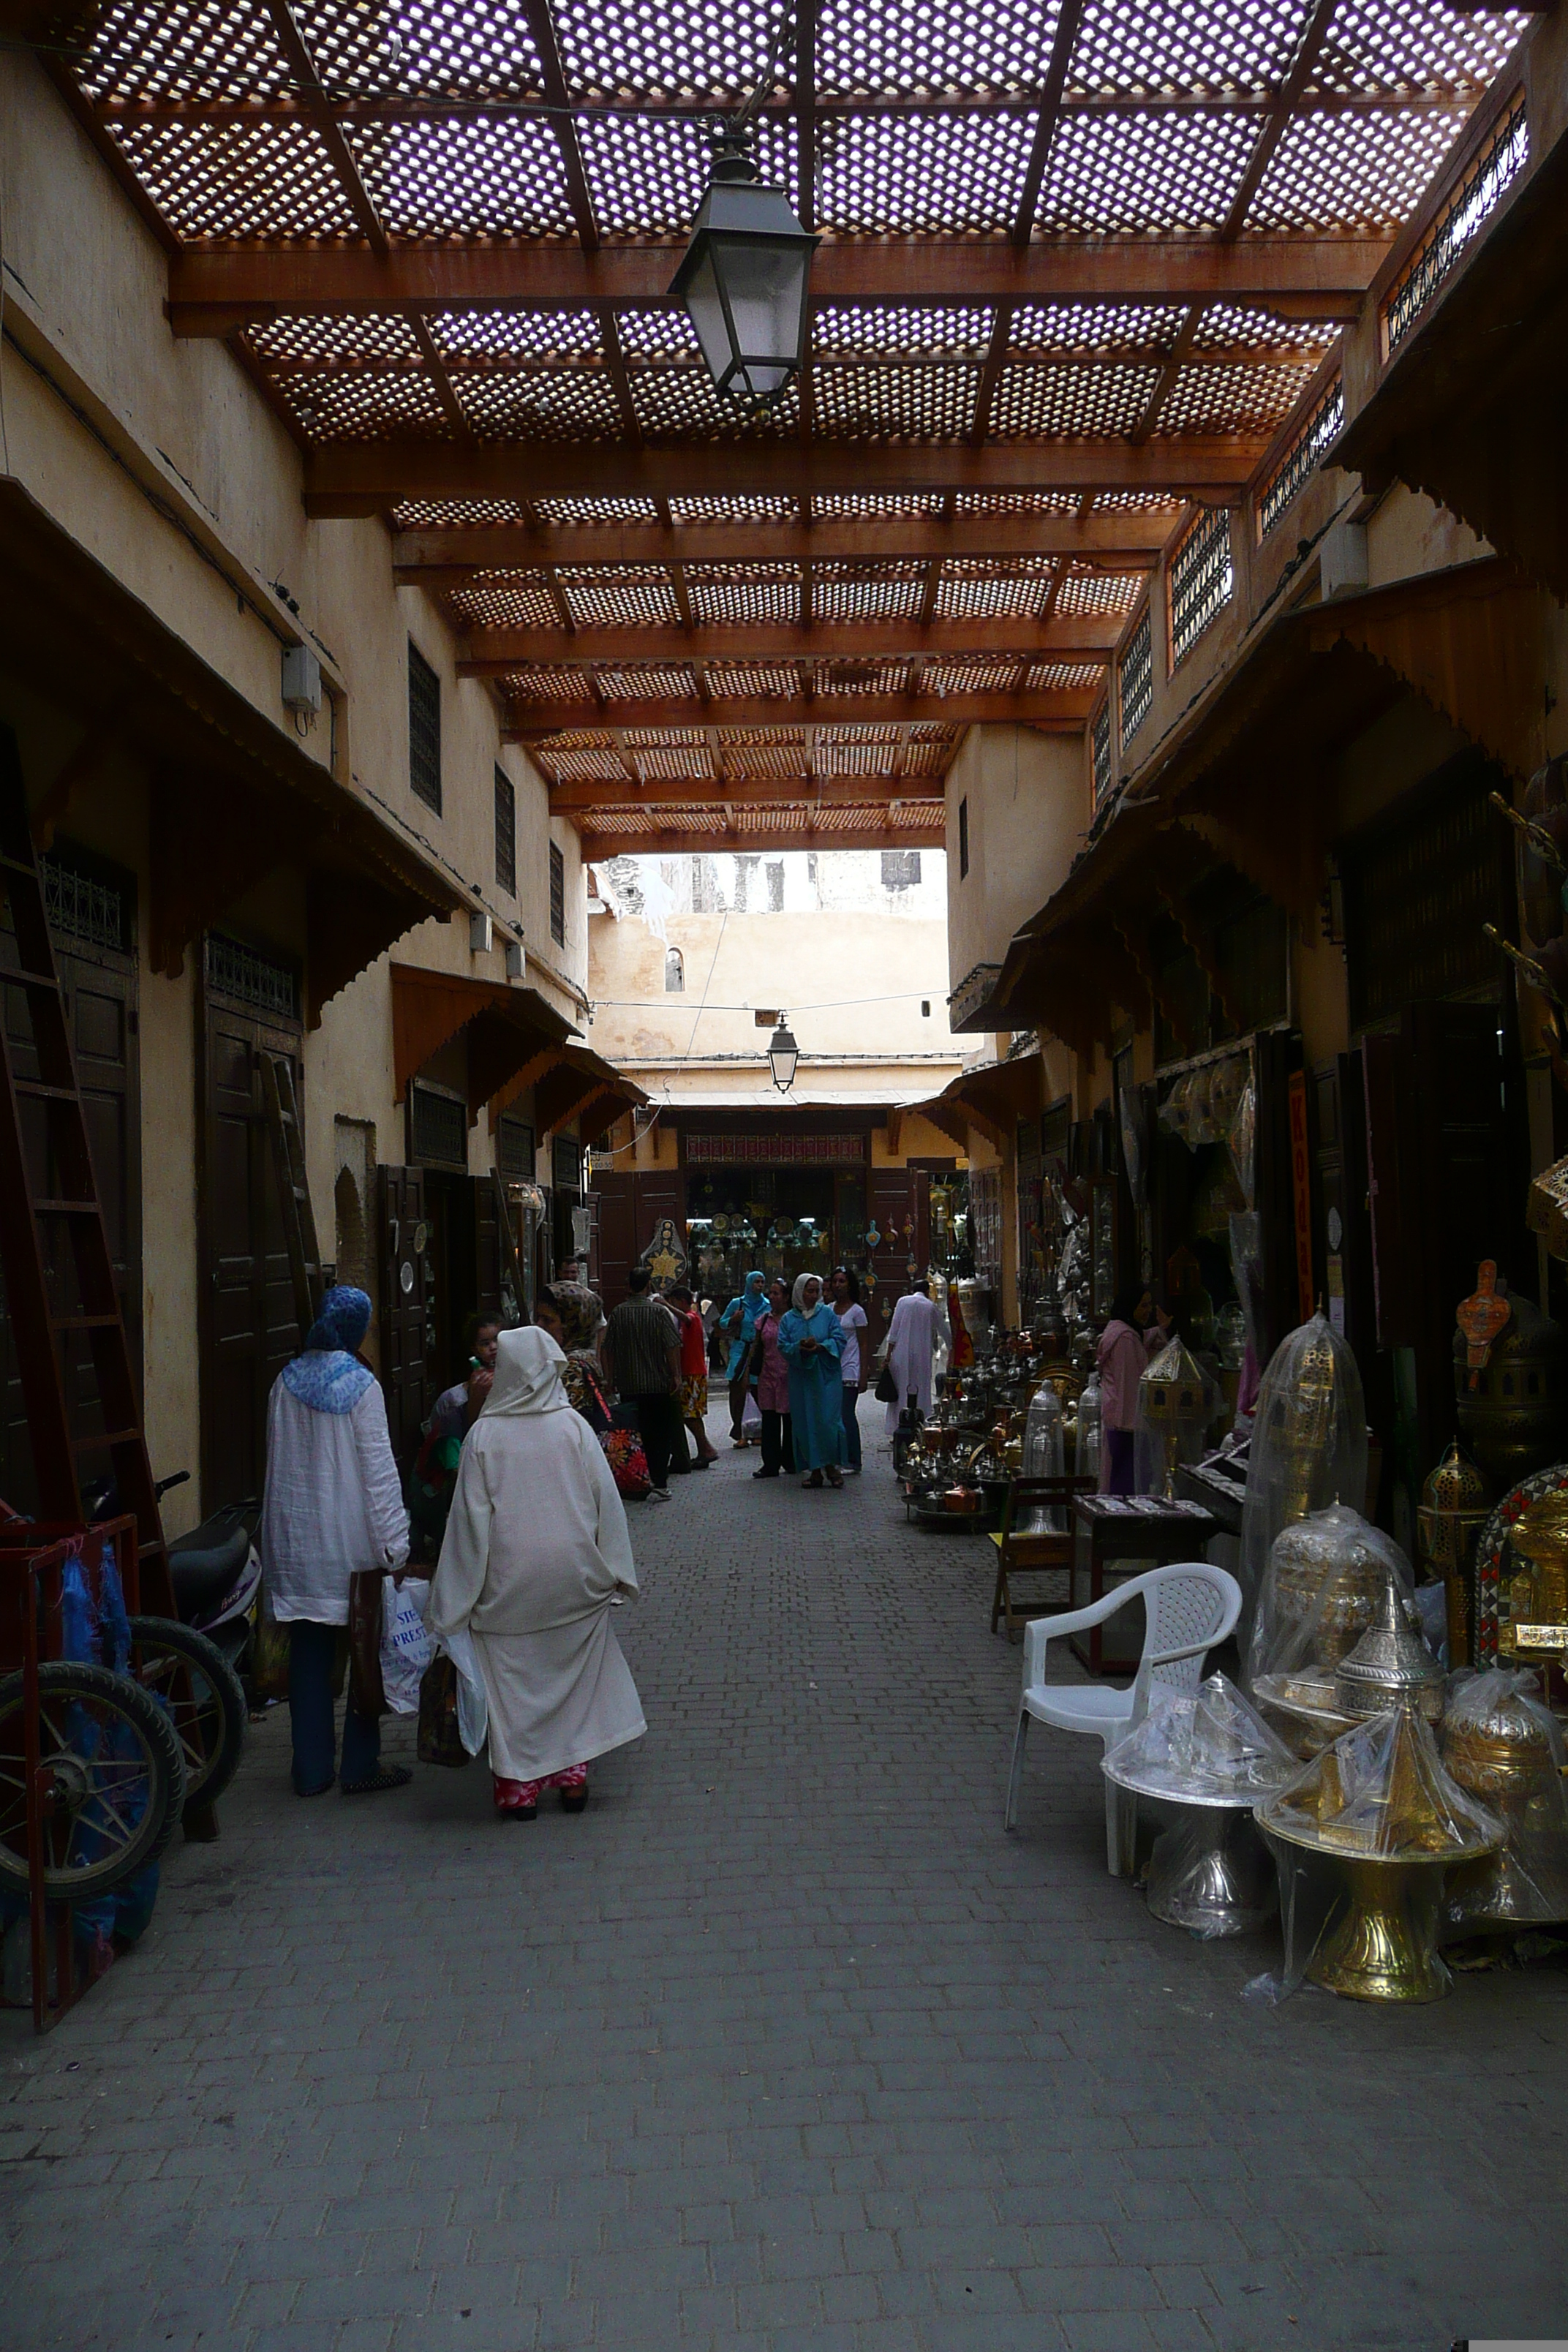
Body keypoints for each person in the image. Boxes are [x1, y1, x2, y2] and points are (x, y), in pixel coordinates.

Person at [429, 1327, 646, 1820]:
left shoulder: (485, 1435)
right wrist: (616, 1570)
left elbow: (468, 1525)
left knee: (513, 1687)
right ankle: (572, 1780)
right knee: (572, 1679)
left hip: (509, 1591)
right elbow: (606, 1505)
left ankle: (518, 1789)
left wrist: (451, 1603)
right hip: (574, 1582)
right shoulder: (572, 1427)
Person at [259, 1284, 412, 1798]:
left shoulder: (284, 1381)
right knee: (364, 1651)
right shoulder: (361, 1388)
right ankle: (360, 1763)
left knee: (308, 1653)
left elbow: (277, 1467)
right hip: (350, 1547)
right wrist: (395, 1546)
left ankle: (311, 1770)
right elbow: (379, 1474)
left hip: (298, 1544)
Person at [407, 1313, 500, 1557]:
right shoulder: (453, 1407)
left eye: (498, 1340)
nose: (494, 1348)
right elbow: (455, 1470)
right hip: (441, 1499)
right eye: (486, 1343)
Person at [602, 1266, 685, 1499]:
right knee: (658, 1434)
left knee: (634, 1434)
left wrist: (610, 1378)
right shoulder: (658, 1312)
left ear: (629, 1286)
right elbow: (671, 1345)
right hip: (657, 1383)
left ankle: (637, 1479)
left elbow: (607, 1348)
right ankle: (659, 1480)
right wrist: (676, 1375)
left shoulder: (618, 1313)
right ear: (648, 1285)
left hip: (629, 1384)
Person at [1097, 1284, 1169, 1496]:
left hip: (1121, 1422)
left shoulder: (1123, 1331)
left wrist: (1160, 1328)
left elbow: (1142, 1340)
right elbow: (1129, 1386)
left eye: (1150, 1305)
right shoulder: (1125, 1338)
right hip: (1126, 1425)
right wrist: (1136, 1428)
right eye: (1143, 1305)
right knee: (1125, 1486)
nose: (1147, 1310)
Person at [779, 1273, 845, 1490]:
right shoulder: (789, 1319)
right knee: (805, 1422)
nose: (813, 1295)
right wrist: (799, 1349)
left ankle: (832, 1467)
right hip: (802, 1379)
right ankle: (815, 1470)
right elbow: (783, 1345)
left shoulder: (827, 1314)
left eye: (816, 1291)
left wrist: (821, 1347)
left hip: (826, 1376)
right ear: (800, 1292)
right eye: (809, 1291)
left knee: (829, 1421)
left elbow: (839, 1339)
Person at [535, 1281, 610, 1425]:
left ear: (572, 1325)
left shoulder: (572, 1367)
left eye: (548, 1320)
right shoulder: (578, 1357)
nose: (539, 1325)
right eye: (538, 1318)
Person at [666, 1283, 719, 1465]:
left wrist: (665, 1305)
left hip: (693, 1372)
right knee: (690, 1414)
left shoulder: (692, 1317)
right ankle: (704, 1449)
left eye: (673, 1302)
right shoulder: (684, 1321)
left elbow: (686, 1319)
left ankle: (707, 1448)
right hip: (689, 1371)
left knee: (690, 1414)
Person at [882, 1278, 943, 1435]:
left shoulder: (903, 1302)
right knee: (921, 1389)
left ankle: (898, 1427)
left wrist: (888, 1355)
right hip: (922, 1355)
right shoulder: (930, 1306)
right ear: (928, 1292)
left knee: (901, 1390)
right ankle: (920, 1426)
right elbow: (944, 1330)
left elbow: (893, 1332)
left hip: (900, 1354)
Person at [751, 1277, 795, 1479]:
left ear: (786, 1297)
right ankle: (770, 1463)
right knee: (769, 1420)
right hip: (767, 1375)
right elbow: (756, 1346)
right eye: (771, 1293)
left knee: (790, 1420)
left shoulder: (794, 1319)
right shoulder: (764, 1320)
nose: (772, 1297)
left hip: (789, 1375)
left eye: (776, 1293)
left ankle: (791, 1459)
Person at [717, 1271, 767, 1444]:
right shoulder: (737, 1303)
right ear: (749, 1284)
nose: (760, 1285)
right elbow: (722, 1323)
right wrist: (733, 1319)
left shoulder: (767, 1305)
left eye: (762, 1282)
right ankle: (740, 1431)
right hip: (740, 1348)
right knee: (738, 1390)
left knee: (757, 1390)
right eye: (757, 1282)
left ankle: (758, 1432)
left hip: (759, 1349)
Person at [830, 1267, 869, 1475]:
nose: (838, 1285)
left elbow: (863, 1343)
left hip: (850, 1369)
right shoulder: (828, 1309)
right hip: (832, 1369)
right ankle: (837, 1458)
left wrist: (863, 1374)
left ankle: (853, 1460)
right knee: (834, 1416)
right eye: (835, 1281)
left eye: (842, 1281)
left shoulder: (857, 1312)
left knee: (847, 1414)